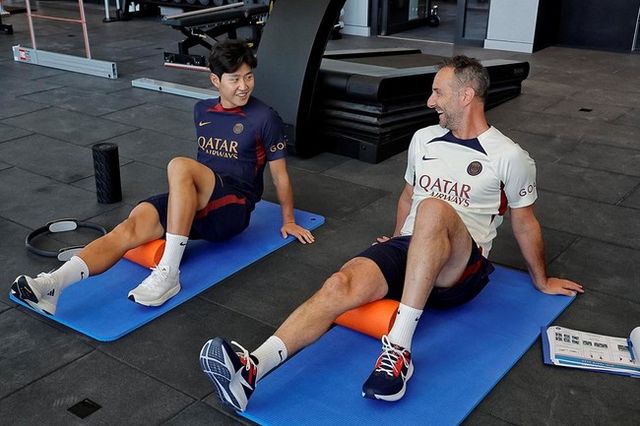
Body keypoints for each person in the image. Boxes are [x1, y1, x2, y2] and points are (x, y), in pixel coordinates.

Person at [198, 55, 584, 412]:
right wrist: (396, 239)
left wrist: (541, 279)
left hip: (461, 267)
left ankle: (399, 350)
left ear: (466, 96)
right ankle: (253, 368)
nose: (430, 102)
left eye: (438, 93)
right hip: (413, 246)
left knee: (434, 208)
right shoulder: (424, 139)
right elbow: (408, 197)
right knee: (339, 283)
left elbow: (524, 221)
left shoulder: (508, 156)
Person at [11, 39, 314, 316]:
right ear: (215, 80)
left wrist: (288, 219)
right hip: (201, 200)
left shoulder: (264, 117)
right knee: (129, 227)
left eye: (248, 77)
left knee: (179, 165)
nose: (244, 86)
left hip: (234, 207)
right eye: (234, 79)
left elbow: (280, 175)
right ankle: (53, 284)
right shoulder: (202, 111)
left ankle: (169, 272)